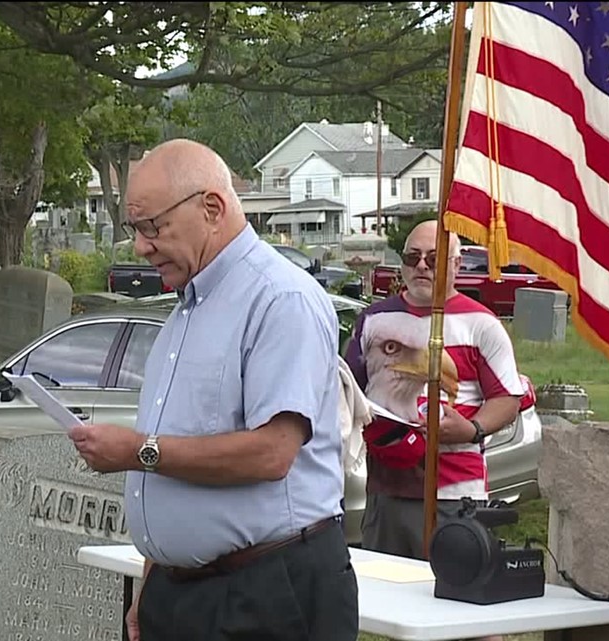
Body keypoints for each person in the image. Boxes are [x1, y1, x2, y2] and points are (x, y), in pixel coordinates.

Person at [69, 139, 358, 641]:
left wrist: (139, 452)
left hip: (268, 592)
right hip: (184, 592)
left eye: (152, 227)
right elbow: (181, 454)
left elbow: (271, 454)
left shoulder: (281, 298)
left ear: (211, 207)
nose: (141, 246)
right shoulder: (189, 307)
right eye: (135, 230)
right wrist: (155, 574)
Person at [344, 220, 524, 641]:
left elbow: (508, 398)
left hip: (453, 494)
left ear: (457, 265)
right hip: (387, 490)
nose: (422, 266)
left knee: (466, 610)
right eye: (412, 257)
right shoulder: (374, 320)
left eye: (435, 258)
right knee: (388, 608)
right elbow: (347, 386)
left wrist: (473, 427)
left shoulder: (481, 325)